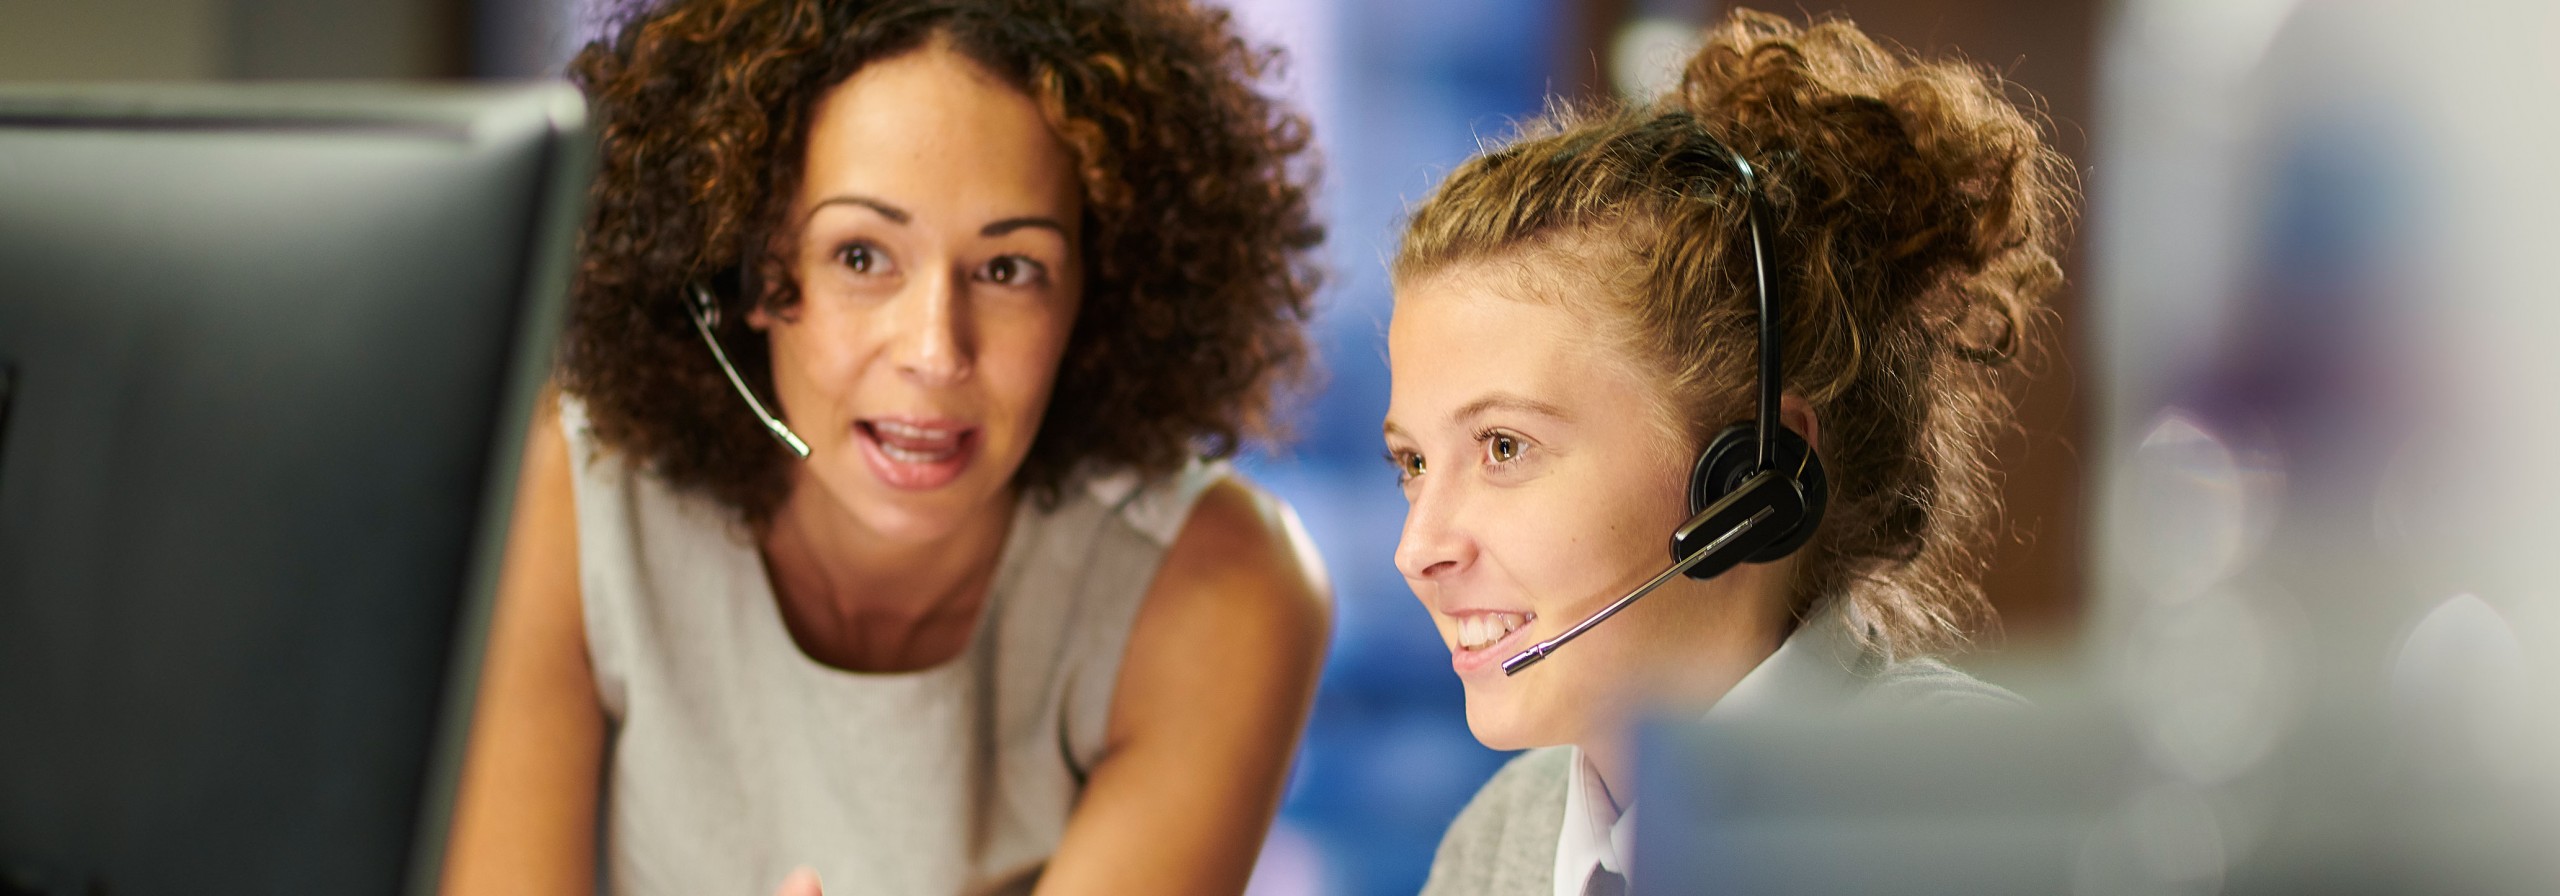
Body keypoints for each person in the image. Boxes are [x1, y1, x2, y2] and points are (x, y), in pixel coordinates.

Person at [438, 1, 1332, 894]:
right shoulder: (579, 497)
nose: (936, 353)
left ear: (1092, 297)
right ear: (745, 268)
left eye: (1009, 269)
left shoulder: (1217, 584)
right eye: (862, 256)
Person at [1380, 10, 2073, 895]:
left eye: (1504, 446)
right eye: (1412, 463)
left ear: (1751, 479)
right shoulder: (1500, 845)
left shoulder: (1972, 813)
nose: (1419, 549)